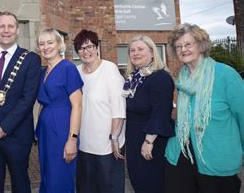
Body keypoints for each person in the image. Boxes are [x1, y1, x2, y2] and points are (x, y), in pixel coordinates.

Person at [164, 23, 244, 193]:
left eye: (188, 44)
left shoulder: (225, 75)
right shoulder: (183, 78)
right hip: (181, 154)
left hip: (217, 157)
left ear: (201, 45)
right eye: (178, 46)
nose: (183, 49)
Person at [0, 11, 41, 193]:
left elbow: (28, 99)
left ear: (17, 30)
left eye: (10, 26)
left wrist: (4, 127)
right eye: (2, 26)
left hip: (18, 135)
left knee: (20, 183)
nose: (6, 30)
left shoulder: (31, 59)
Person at [73, 29, 126, 193]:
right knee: (86, 188)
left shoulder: (109, 69)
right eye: (81, 48)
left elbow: (119, 107)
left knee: (109, 188)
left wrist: (114, 138)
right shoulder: (75, 72)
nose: (86, 51)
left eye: (89, 46)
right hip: (84, 144)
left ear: (97, 48)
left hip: (108, 145)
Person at [122, 35, 175, 193]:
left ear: (152, 53)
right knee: (139, 183)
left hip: (151, 142)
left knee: (152, 184)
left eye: (140, 49)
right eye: (132, 50)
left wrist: (149, 141)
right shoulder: (134, 79)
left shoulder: (160, 77)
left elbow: (161, 112)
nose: (135, 53)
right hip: (134, 139)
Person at [36, 28, 83, 193]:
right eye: (41, 44)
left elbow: (77, 105)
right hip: (46, 129)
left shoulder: (68, 68)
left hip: (62, 128)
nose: (46, 47)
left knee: (60, 177)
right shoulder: (44, 72)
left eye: (50, 42)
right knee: (47, 175)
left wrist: (72, 139)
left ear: (59, 44)